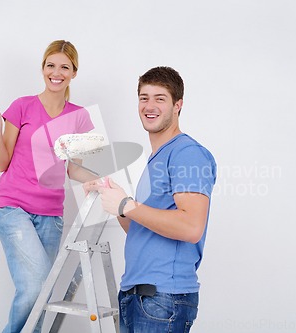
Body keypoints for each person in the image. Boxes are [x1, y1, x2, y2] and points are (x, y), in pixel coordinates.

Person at [85, 66, 217, 332]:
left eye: (160, 98)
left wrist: (127, 204)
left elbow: (191, 227)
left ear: (177, 105)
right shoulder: (155, 159)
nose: (150, 105)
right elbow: (139, 228)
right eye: (144, 97)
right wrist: (114, 199)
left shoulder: (187, 153)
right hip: (137, 295)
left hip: (163, 298)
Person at [0, 40, 98, 333]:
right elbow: (2, 163)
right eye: (50, 65)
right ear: (43, 68)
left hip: (50, 215)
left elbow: (73, 168)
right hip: (13, 207)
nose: (56, 73)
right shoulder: (22, 106)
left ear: (73, 73)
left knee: (42, 297)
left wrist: (97, 179)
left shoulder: (80, 117)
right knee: (35, 287)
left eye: (64, 67)